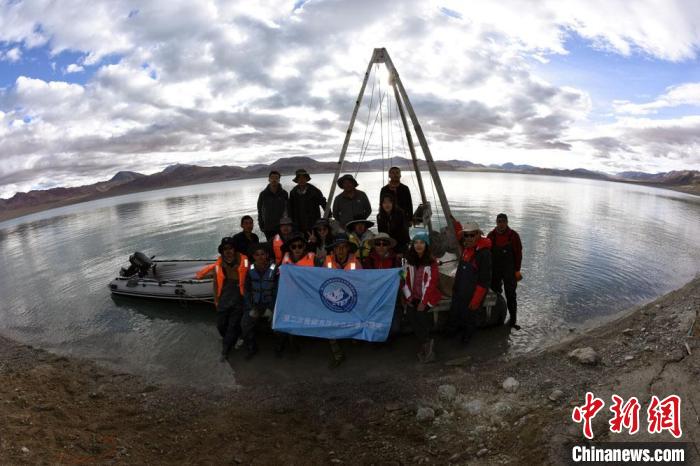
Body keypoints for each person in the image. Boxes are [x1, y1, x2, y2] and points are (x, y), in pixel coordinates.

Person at [195, 237, 249, 361]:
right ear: (222, 251)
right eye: (225, 249)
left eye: (230, 248)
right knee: (220, 325)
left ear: (235, 249)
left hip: (239, 298)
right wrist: (216, 300)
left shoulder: (244, 262)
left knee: (232, 324)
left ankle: (225, 350)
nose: (228, 251)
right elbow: (215, 283)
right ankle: (231, 339)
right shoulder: (219, 264)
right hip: (224, 298)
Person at [321, 233, 362, 367]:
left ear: (348, 249)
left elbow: (361, 285)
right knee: (328, 320)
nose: (340, 250)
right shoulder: (327, 262)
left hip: (351, 301)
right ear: (333, 249)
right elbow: (321, 281)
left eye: (344, 247)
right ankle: (337, 353)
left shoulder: (356, 263)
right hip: (332, 300)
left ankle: (354, 338)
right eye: (337, 247)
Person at [449, 222, 492, 346]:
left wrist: (476, 301)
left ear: (478, 235)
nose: (468, 238)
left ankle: (466, 341)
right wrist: (455, 223)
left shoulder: (484, 254)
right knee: (455, 314)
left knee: (469, 319)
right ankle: (451, 336)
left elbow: (484, 281)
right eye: (466, 235)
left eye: (471, 235)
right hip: (460, 292)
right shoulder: (466, 248)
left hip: (472, 295)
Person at [401, 231, 442, 363]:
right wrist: (408, 298)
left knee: (420, 314)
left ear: (426, 245)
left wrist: (423, 302)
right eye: (416, 242)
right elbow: (403, 280)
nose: (418, 245)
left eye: (422, 243)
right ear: (412, 245)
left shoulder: (432, 262)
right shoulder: (407, 261)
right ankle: (426, 342)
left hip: (428, 296)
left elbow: (432, 283)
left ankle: (426, 343)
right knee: (410, 313)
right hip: (413, 295)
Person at [240, 243, 277, 360]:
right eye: (257, 255)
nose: (260, 257)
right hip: (254, 305)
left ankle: (279, 348)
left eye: (262, 254)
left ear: (267, 255)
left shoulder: (275, 269)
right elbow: (246, 291)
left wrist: (271, 308)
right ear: (253, 256)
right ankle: (252, 348)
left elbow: (277, 291)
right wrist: (251, 308)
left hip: (270, 304)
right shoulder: (249, 270)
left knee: (279, 327)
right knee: (245, 325)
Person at [487, 213, 523, 329]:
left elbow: (518, 254)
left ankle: (513, 320)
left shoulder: (514, 236)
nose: (501, 224)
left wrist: (517, 270)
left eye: (503, 221)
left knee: (511, 295)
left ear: (507, 222)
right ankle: (496, 318)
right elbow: (486, 254)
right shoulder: (491, 235)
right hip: (495, 271)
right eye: (499, 221)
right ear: (496, 222)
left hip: (510, 271)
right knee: (494, 293)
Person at [287, 169, 327, 234]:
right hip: (298, 224)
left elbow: (324, 204)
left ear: (306, 179)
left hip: (313, 223)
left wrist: (328, 216)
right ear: (297, 180)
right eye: (299, 178)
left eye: (303, 178)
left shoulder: (315, 191)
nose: (301, 180)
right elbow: (290, 208)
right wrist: (291, 222)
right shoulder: (293, 192)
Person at [257, 170, 289, 241]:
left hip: (281, 227)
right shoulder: (263, 194)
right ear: (269, 179)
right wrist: (261, 225)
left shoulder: (284, 194)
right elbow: (260, 211)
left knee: (283, 244)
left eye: (276, 178)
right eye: (272, 178)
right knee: (271, 245)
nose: (274, 180)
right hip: (268, 227)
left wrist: (287, 224)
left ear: (279, 180)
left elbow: (287, 210)